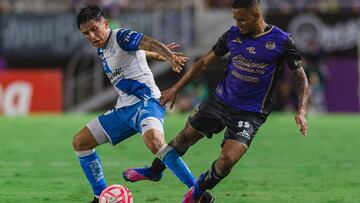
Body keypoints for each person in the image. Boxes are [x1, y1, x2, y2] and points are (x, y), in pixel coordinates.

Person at [123, 0, 309, 202]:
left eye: (242, 19)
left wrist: (301, 110)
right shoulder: (232, 35)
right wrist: (176, 88)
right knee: (184, 138)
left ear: (256, 16)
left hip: (251, 112)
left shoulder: (281, 41)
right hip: (220, 102)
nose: (238, 24)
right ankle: (154, 171)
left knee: (228, 158)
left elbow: (300, 77)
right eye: (235, 19)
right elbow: (203, 62)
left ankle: (197, 191)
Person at [72, 5, 201, 203]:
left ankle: (197, 192)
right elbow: (137, 52)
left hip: (146, 103)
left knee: (155, 142)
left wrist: (169, 56)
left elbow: (148, 42)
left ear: (105, 23)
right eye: (86, 33)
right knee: (80, 142)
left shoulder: (121, 36)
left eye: (94, 29)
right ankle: (100, 196)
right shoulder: (103, 48)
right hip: (123, 109)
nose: (92, 36)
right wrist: (155, 56)